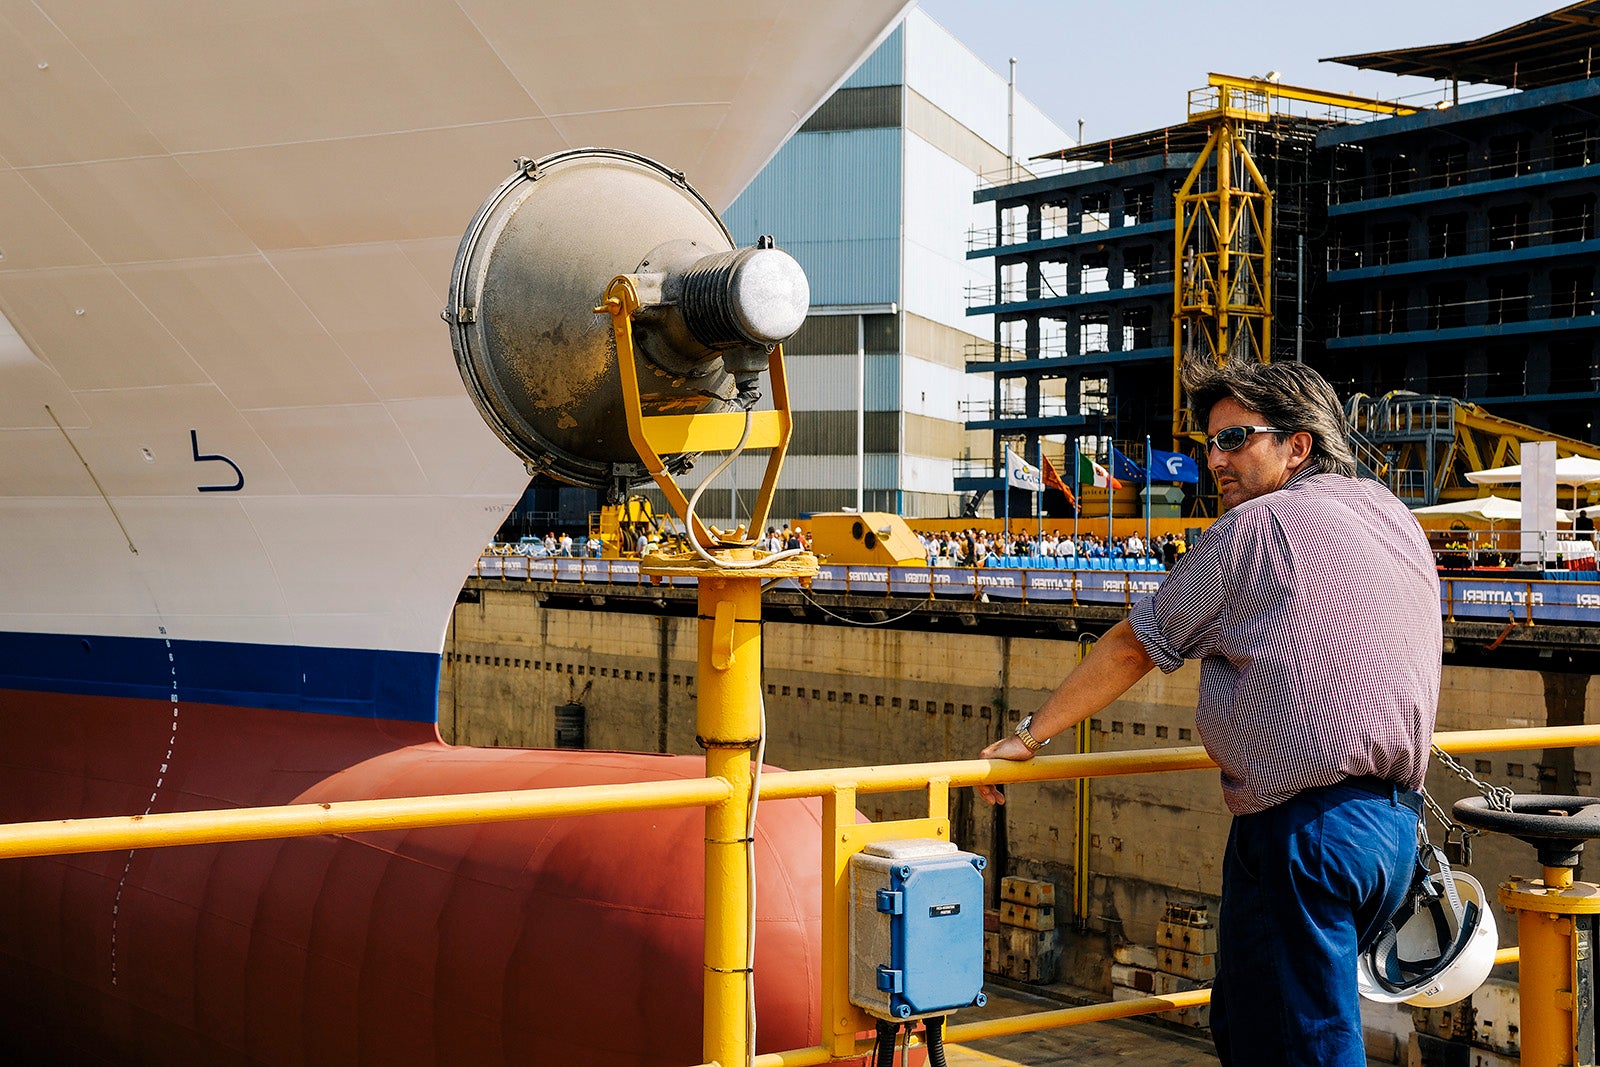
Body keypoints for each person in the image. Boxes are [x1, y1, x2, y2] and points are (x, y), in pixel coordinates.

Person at [977, 359, 1441, 1067]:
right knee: (1256, 1023)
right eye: (1210, 443)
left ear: (1298, 445)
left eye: (1236, 439)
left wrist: (1027, 735)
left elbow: (1136, 644)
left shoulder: (1255, 527)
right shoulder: (1392, 515)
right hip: (1390, 829)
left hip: (1305, 832)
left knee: (1305, 1042)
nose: (1214, 460)